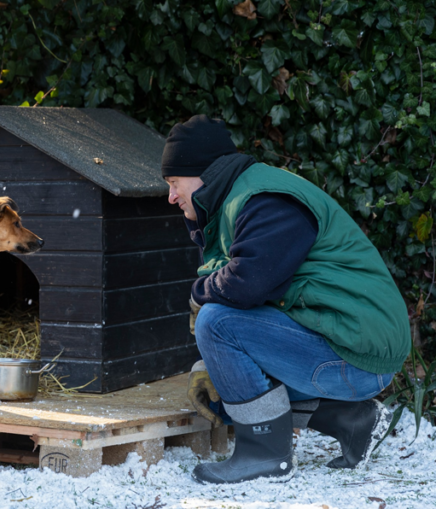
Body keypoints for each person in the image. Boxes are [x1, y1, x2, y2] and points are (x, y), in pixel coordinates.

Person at [162, 115, 409, 485]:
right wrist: (216, 368)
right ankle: (353, 420)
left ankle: (265, 455)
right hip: (345, 345)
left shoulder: (265, 201)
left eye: (173, 183)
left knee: (216, 321)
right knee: (224, 383)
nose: (171, 197)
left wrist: (198, 296)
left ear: (201, 174)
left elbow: (245, 287)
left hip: (356, 356)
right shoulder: (240, 198)